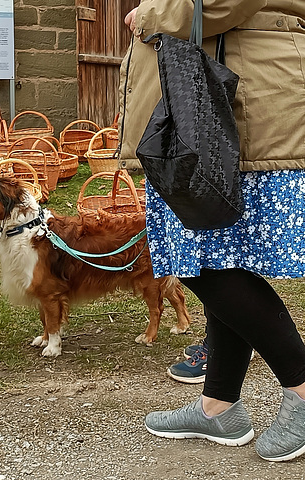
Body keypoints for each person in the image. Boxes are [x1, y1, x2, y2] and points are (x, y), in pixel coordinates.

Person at [118, 0, 305, 462]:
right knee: (217, 261)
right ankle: (218, 406)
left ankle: (303, 389)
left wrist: (152, 14)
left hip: (234, 111)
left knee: (201, 264)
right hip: (228, 103)